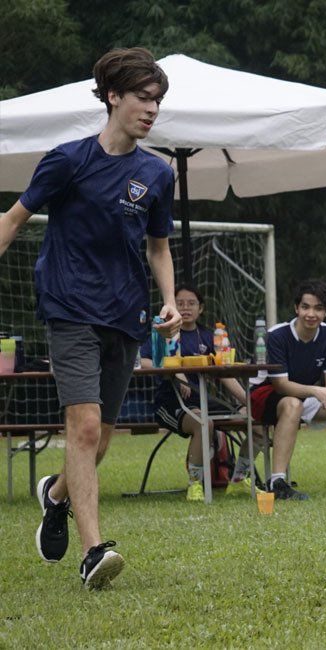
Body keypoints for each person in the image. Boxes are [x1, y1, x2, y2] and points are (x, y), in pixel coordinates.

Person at [0, 47, 179, 589]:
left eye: (158, 101)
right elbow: (11, 220)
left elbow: (158, 246)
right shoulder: (67, 160)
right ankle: (93, 552)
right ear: (113, 97)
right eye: (143, 98)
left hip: (125, 314)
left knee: (99, 440)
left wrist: (169, 299)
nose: (151, 110)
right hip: (69, 308)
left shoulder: (156, 173)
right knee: (83, 427)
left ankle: (56, 495)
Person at [249, 279, 326, 500]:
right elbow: (280, 385)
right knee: (292, 404)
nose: (311, 314)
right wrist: (317, 392)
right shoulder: (277, 335)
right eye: (305, 307)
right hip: (264, 395)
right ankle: (277, 482)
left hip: (302, 394)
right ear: (296, 308)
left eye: (318, 308)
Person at [138, 284, 250, 501]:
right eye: (180, 303)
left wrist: (249, 400)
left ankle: (238, 479)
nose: (185, 308)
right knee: (203, 422)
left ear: (201, 309)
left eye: (191, 303)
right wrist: (173, 371)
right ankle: (195, 483)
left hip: (203, 400)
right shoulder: (163, 332)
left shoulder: (209, 337)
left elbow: (224, 373)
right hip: (171, 402)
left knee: (254, 418)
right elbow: (142, 361)